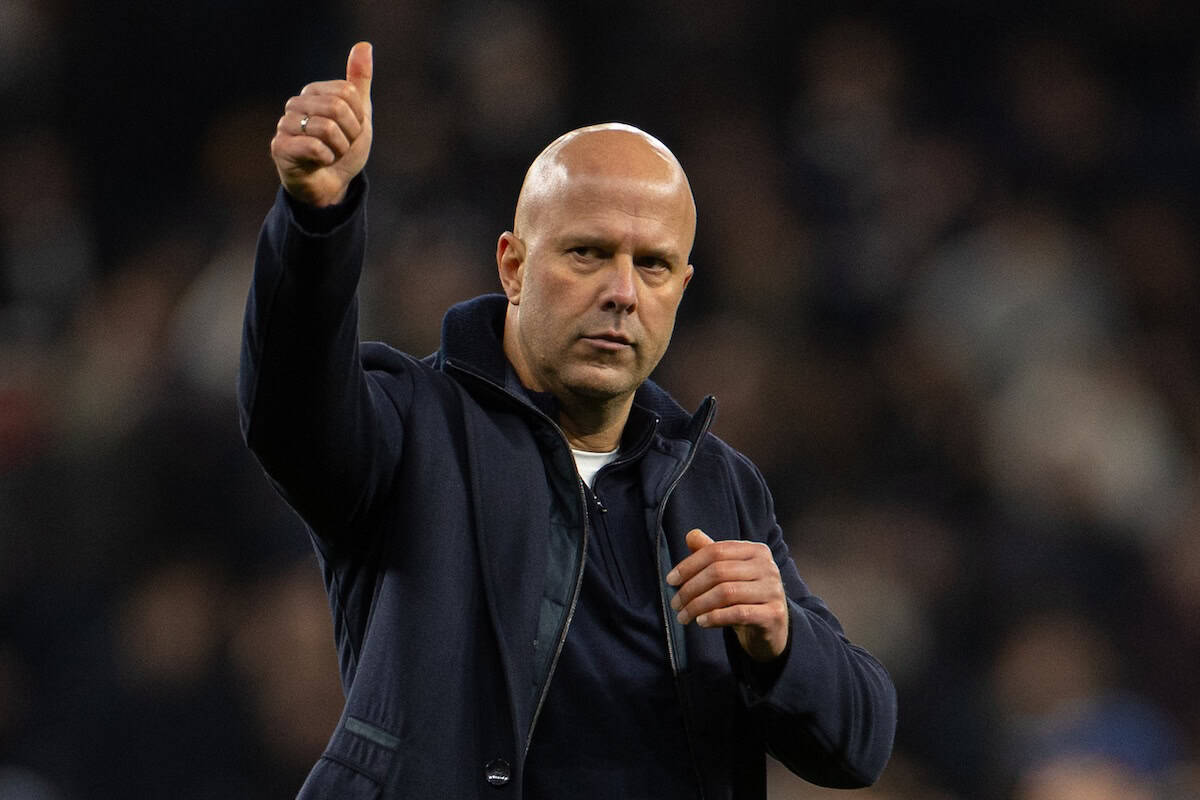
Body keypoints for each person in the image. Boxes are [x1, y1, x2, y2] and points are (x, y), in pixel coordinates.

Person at [239, 41, 897, 799]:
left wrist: (784, 643)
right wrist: (315, 221)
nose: (622, 291)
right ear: (513, 266)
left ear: (681, 288)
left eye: (651, 265)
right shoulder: (412, 426)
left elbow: (861, 743)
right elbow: (287, 411)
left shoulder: (714, 483)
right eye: (588, 253)